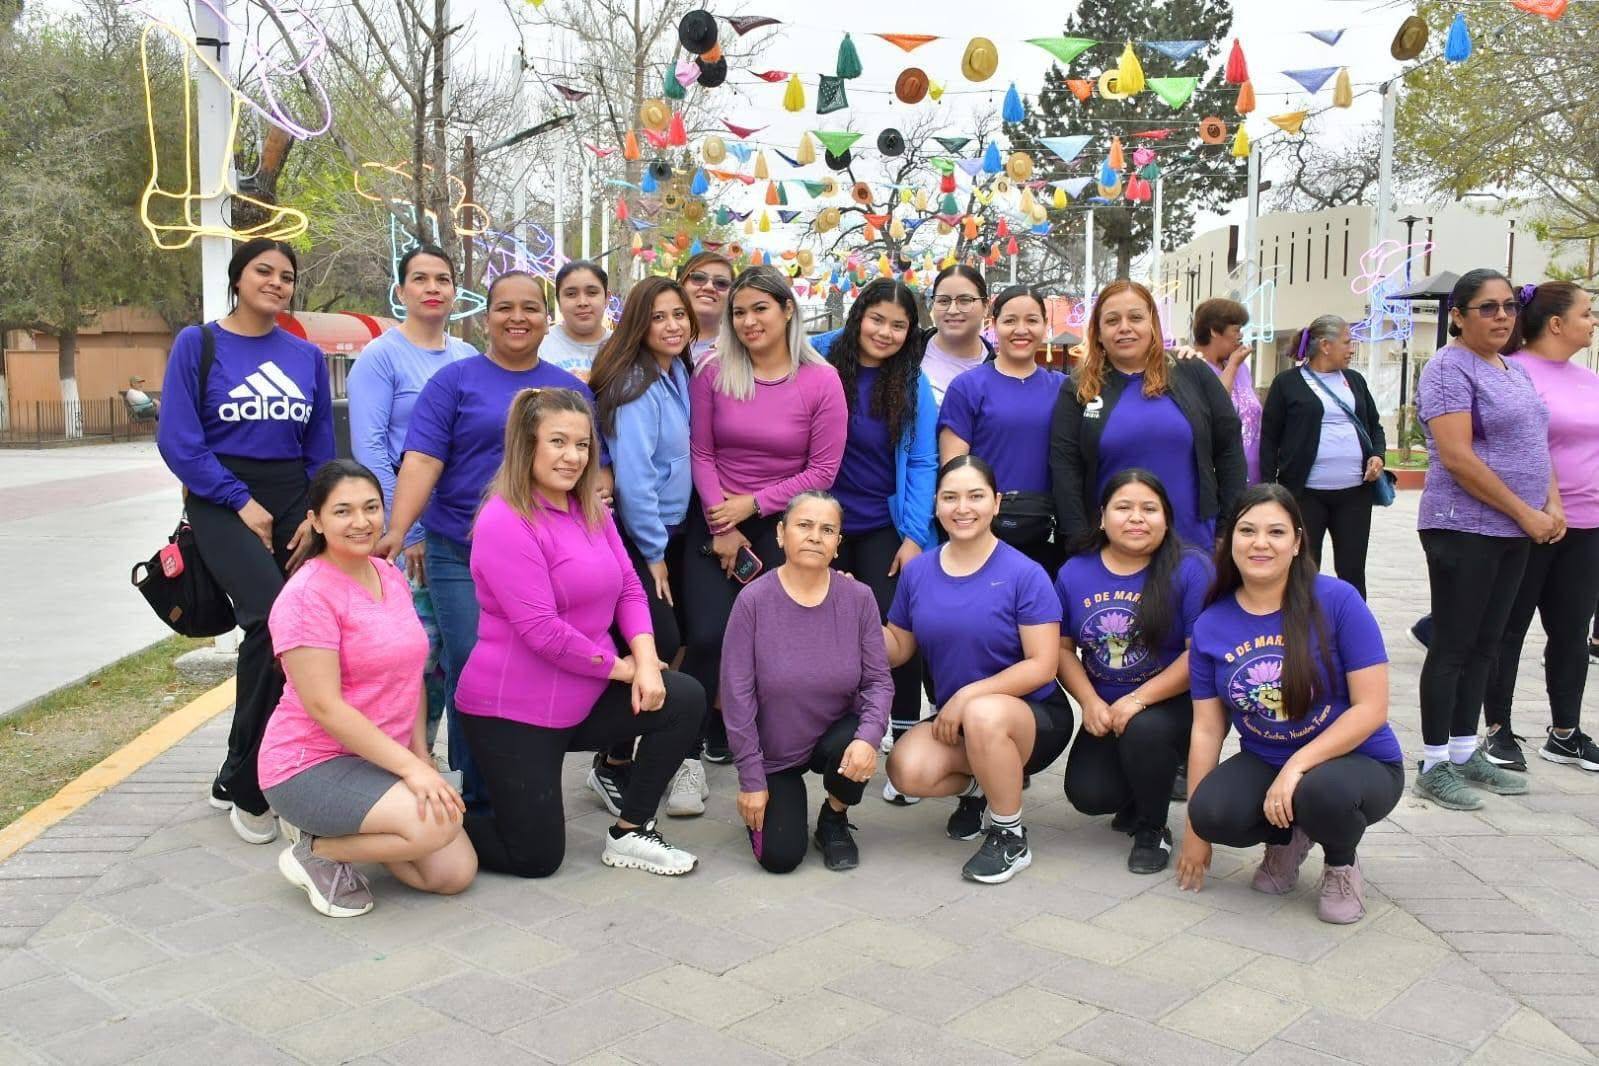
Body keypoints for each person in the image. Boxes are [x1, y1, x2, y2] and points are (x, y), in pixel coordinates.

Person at [375, 272, 603, 812]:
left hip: (546, 557)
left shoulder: (569, 391)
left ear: (546, 318)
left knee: (532, 665)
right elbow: (423, 460)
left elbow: (593, 471)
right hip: (460, 552)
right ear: (485, 317)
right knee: (475, 665)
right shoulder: (454, 382)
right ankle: (476, 800)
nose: (517, 318)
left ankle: (521, 787)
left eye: (530, 308)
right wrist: (397, 531)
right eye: (504, 308)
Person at [455, 388, 705, 877]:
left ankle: (631, 831)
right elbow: (542, 631)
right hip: (514, 711)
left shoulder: (588, 507)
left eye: (583, 444)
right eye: (558, 442)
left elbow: (629, 588)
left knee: (684, 699)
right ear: (526, 444)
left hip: (584, 696)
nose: (573, 456)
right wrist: (625, 670)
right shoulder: (504, 521)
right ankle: (415, 824)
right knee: (535, 858)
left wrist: (646, 661)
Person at [156, 237, 333, 845]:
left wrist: (315, 512)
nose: (277, 282)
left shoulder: (306, 357)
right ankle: (251, 785)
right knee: (270, 620)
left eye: (287, 275)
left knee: (300, 628)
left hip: (294, 499)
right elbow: (179, 441)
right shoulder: (199, 343)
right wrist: (239, 501)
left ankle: (238, 770)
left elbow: (320, 445)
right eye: (264, 271)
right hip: (219, 493)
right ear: (237, 278)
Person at [1178, 484, 1403, 924]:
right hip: (1267, 759)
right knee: (1211, 812)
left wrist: (1297, 766)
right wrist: (1194, 831)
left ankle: (1341, 863)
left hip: (1358, 761)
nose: (1260, 543)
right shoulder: (1211, 623)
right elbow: (1207, 728)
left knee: (1322, 793)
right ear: (1229, 541)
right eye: (1247, 531)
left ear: (1298, 542)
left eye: (1276, 532)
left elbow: (1372, 708)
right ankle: (1289, 837)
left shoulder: (1338, 601)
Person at [262, 460, 477, 917]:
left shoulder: (389, 574)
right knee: (435, 827)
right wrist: (412, 771)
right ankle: (316, 849)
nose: (360, 522)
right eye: (343, 511)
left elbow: (410, 676)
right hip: (309, 765)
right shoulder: (306, 597)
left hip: (378, 759)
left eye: (371, 508)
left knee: (452, 873)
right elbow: (324, 707)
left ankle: (366, 827)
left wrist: (420, 757)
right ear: (316, 521)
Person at [685, 265, 847, 763]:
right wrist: (724, 522)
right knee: (708, 633)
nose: (749, 322)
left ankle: (751, 738)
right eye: (739, 313)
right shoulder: (713, 371)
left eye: (760, 309)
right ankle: (687, 751)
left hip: (783, 524)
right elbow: (700, 451)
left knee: (767, 640)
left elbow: (823, 470)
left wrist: (755, 504)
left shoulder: (821, 380)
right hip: (714, 517)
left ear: (787, 310)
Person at [1412, 269, 1559, 810]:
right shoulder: (1448, 369)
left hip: (1513, 529)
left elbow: (1535, 444)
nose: (1502, 316)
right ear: (1458, 315)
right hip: (1463, 527)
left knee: (1485, 645)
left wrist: (1551, 505)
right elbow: (1457, 457)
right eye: (1488, 307)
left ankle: (1462, 749)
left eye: (1509, 307)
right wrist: (1524, 511)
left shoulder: (1511, 369)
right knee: (1453, 645)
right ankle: (1433, 763)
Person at [884, 456, 1069, 884]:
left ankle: (1010, 835)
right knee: (905, 770)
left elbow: (1043, 666)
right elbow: (898, 648)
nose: (962, 508)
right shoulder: (918, 571)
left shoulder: (1025, 573)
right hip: (962, 720)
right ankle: (983, 787)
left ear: (996, 503)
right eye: (950, 497)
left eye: (975, 496)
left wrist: (968, 696)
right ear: (936, 504)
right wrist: (847, 612)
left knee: (983, 712)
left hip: (1032, 717)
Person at [346, 244, 477, 749]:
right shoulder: (380, 359)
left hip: (464, 532)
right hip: (409, 538)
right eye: (420, 279)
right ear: (400, 291)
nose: (432, 288)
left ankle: (450, 763)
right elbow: (372, 452)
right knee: (417, 654)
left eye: (442, 279)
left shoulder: (467, 357)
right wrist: (409, 529)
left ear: (455, 292)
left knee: (459, 654)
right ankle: (402, 758)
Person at [722, 492, 892, 873]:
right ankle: (779, 800)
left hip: (836, 737)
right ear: (781, 534)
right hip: (775, 750)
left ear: (838, 543)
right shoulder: (752, 601)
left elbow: (879, 682)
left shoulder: (859, 598)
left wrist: (869, 739)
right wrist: (751, 780)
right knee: (780, 858)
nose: (816, 536)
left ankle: (834, 817)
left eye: (827, 530)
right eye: (804, 525)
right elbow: (736, 699)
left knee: (858, 738)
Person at [1057, 471, 1211, 874]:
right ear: (1102, 516)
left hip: (1173, 703)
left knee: (1145, 731)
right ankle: (1139, 793)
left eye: (1149, 509)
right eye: (1123, 507)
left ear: (1166, 518)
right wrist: (1089, 701)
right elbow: (1061, 649)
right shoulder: (1074, 571)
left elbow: (1198, 656)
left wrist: (1138, 699)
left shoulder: (1191, 569)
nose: (1136, 518)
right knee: (1090, 795)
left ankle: (1152, 827)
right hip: (1107, 707)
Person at [590, 276, 705, 818]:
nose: (672, 325)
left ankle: (640, 748)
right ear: (639, 323)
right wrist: (654, 552)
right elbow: (634, 478)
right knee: (656, 639)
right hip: (640, 535)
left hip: (674, 527)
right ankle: (612, 757)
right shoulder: (635, 383)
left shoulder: (675, 370)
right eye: (658, 317)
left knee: (675, 637)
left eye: (679, 314)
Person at [825, 279, 939, 781]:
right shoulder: (820, 358)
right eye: (877, 319)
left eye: (899, 325)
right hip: (824, 520)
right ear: (858, 316)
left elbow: (923, 460)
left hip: (882, 523)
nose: (885, 333)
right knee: (826, 624)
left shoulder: (911, 381)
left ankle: (905, 731)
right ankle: (840, 733)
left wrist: (914, 536)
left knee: (896, 627)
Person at [1483, 282, 1599, 772]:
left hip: (1588, 525)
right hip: (1528, 524)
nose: (1593, 321)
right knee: (1508, 630)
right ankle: (1497, 730)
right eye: (1587, 313)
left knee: (1571, 631)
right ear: (1556, 324)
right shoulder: (1513, 374)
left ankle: (1565, 733)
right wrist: (1538, 509)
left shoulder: (1589, 379)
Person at [1050, 280, 1246, 551]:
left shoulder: (1192, 372)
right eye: (1112, 320)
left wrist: (1228, 528)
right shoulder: (1079, 387)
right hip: (1110, 548)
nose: (1124, 327)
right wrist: (1079, 540)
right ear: (1098, 332)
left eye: (1136, 318)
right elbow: (1065, 469)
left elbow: (1230, 451)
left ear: (1152, 324)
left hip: (1191, 542)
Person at [939, 285, 1066, 573]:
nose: (1021, 330)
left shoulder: (1063, 388)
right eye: (1010, 320)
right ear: (994, 324)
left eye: (1031, 320)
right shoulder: (967, 387)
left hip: (1047, 532)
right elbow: (953, 469)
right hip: (984, 531)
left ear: (1045, 326)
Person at [1258, 314, 1387, 599]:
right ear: (1326, 345)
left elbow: (1374, 426)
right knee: (1304, 568)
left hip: (1354, 493)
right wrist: (1268, 490)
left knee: (1353, 571)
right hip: (1305, 494)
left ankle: (1351, 622)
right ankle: (1302, 622)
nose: (1352, 349)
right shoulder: (1287, 383)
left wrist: (1378, 456)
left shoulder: (1354, 381)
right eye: (1347, 342)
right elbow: (1268, 439)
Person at [811, 264, 994, 405]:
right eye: (943, 301)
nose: (953, 310)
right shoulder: (907, 345)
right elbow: (852, 335)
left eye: (965, 300)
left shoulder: (998, 369)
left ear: (986, 306)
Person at [1191, 298, 1263, 484]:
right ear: (1214, 331)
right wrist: (1232, 366)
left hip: (1253, 475)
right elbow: (1218, 407)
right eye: (1236, 330)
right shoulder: (1192, 368)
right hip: (1218, 477)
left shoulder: (1242, 368)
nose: (1241, 336)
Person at [538, 260, 611, 380]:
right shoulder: (539, 346)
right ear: (558, 301)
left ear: (607, 298)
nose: (582, 302)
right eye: (571, 294)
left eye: (592, 293)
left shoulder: (624, 347)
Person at [677, 250, 734, 367]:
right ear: (681, 285)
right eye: (698, 278)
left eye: (721, 283)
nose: (709, 287)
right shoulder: (653, 341)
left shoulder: (742, 350)